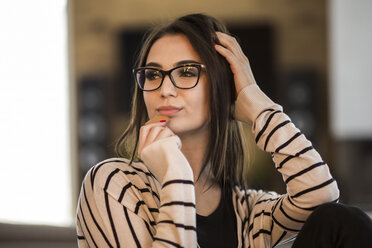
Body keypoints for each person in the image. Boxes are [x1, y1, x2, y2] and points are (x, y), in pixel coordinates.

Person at [76, 13, 372, 248]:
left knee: (343, 219)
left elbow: (321, 196)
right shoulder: (113, 184)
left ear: (221, 86)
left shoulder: (249, 211)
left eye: (187, 72)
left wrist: (256, 103)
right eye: (152, 74)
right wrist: (176, 178)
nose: (164, 89)